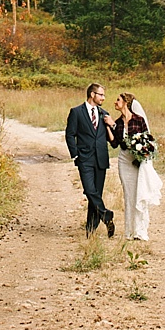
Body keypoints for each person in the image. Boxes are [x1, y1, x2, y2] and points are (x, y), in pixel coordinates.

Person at [110, 91, 163, 243]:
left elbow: (148, 138)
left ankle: (140, 230)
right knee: (128, 195)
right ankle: (129, 231)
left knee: (139, 193)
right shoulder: (118, 122)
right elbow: (114, 144)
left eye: (118, 100)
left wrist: (142, 152)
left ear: (126, 102)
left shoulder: (138, 120)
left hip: (137, 161)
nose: (115, 102)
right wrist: (109, 126)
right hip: (124, 160)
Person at [63, 82, 114, 238]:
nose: (103, 98)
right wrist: (75, 154)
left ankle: (90, 231)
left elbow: (110, 137)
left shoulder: (104, 114)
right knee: (90, 191)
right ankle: (105, 215)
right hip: (84, 158)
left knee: (96, 193)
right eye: (101, 95)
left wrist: (111, 124)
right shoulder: (76, 112)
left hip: (101, 159)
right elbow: (70, 134)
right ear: (92, 94)